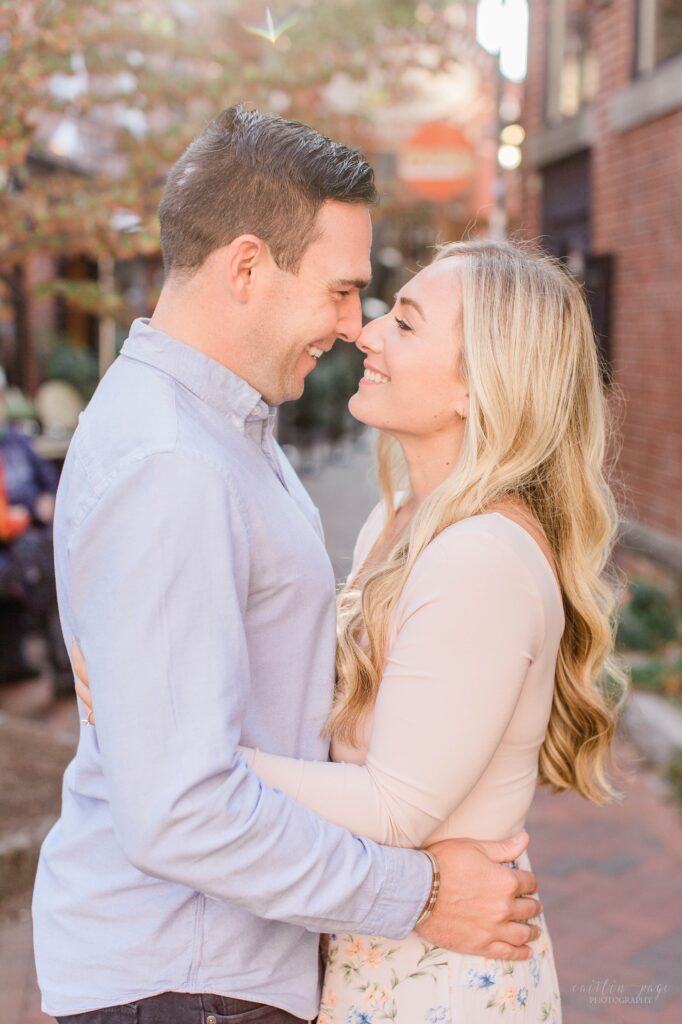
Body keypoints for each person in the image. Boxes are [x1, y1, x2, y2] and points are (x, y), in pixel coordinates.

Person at [32, 106, 541, 1024]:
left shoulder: (221, 431)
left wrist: (154, 722)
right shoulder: (176, 464)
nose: (356, 325)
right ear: (246, 267)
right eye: (342, 289)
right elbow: (180, 808)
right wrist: (422, 895)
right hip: (186, 978)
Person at [76, 240, 625, 1022]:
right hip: (378, 951)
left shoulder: (481, 557)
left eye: (404, 323)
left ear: (479, 384)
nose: (365, 333)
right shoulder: (397, 521)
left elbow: (394, 806)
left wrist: (187, 747)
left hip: (440, 978)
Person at [0, 368, 67, 684]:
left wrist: (47, 498)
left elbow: (49, 482)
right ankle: (64, 667)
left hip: (31, 535)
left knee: (55, 554)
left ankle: (65, 667)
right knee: (41, 564)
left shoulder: (18, 441)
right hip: (11, 543)